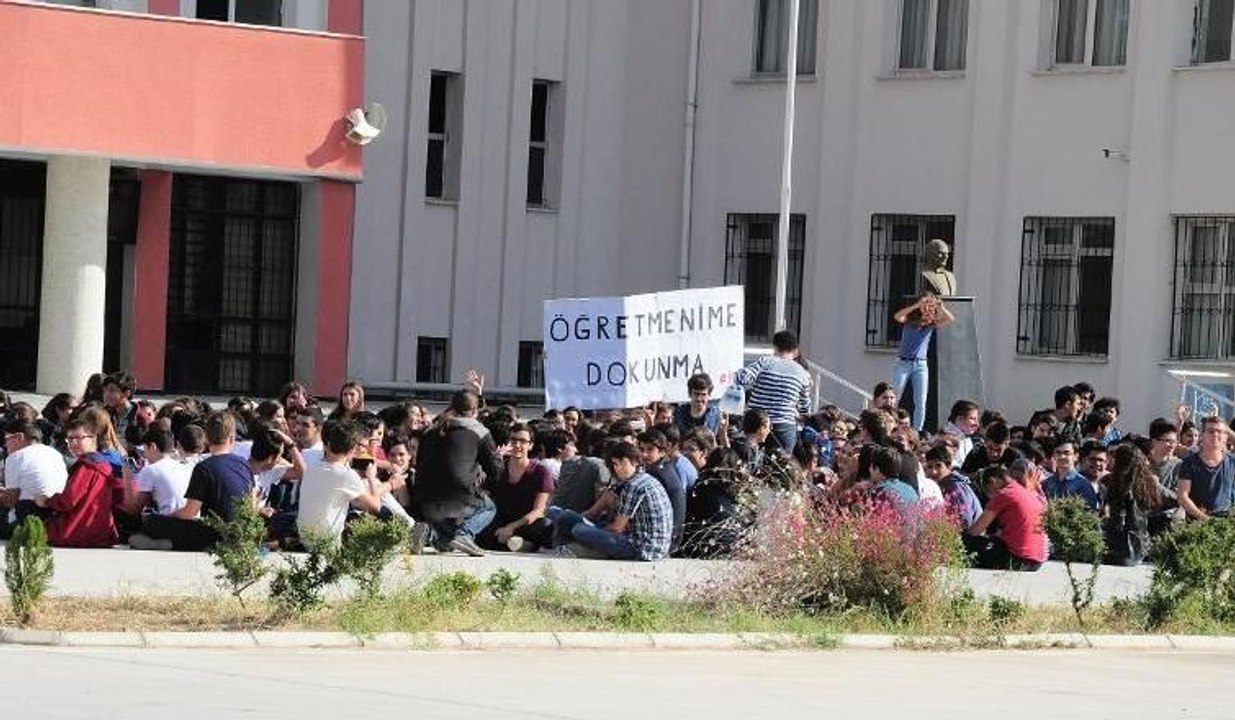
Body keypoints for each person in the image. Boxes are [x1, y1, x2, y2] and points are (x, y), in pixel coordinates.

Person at [138, 411, 255, 551]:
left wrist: (169, 517)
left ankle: (167, 543)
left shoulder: (204, 468)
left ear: (206, 438)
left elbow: (190, 512)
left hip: (213, 536)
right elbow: (252, 506)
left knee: (153, 521)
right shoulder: (244, 464)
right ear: (232, 438)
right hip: (242, 535)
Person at [411, 389, 500, 556]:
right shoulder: (479, 430)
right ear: (475, 410)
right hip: (460, 498)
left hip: (426, 500)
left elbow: (420, 462)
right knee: (490, 508)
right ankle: (465, 534)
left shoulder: (431, 430)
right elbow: (495, 470)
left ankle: (428, 532)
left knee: (445, 545)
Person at [550, 441, 673, 561]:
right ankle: (576, 548)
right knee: (561, 514)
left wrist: (594, 531)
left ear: (635, 462)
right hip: (643, 541)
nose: (618, 468)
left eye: (621, 463)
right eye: (615, 464)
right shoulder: (643, 479)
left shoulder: (633, 486)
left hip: (642, 548)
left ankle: (574, 549)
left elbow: (617, 529)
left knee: (579, 529)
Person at [295, 419, 394, 549]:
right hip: (327, 543)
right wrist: (372, 478)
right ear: (353, 450)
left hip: (305, 539)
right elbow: (375, 506)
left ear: (328, 444)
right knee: (386, 513)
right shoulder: (345, 474)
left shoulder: (312, 467)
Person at [34, 417, 119, 548]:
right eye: (70, 439)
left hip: (76, 531)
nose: (73, 443)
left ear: (93, 439)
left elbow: (69, 500)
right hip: (99, 532)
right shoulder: (103, 463)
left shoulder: (87, 466)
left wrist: (46, 501)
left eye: (79, 438)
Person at [733, 330, 812, 454]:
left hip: (756, 423)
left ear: (775, 347)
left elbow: (743, 378)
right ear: (796, 351)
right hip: (783, 426)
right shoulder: (803, 373)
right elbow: (805, 407)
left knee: (747, 461)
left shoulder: (765, 362)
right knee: (781, 467)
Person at [478, 423, 554, 552]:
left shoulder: (541, 471)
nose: (517, 445)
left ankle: (521, 544)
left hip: (525, 522)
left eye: (523, 441)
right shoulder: (499, 468)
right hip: (498, 520)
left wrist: (511, 527)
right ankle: (515, 544)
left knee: (545, 525)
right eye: (513, 440)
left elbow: (538, 511)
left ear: (530, 445)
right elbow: (483, 498)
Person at [964, 461, 1047, 571]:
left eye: (989, 494)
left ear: (993, 481)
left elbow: (976, 530)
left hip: (1017, 559)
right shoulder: (1026, 491)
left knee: (966, 540)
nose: (991, 498)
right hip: (1037, 560)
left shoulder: (1004, 494)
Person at [891, 293, 954, 431]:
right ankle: (890, 428)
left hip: (921, 365)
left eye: (930, 307)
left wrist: (940, 306)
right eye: (925, 305)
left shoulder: (931, 324)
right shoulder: (909, 320)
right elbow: (897, 316)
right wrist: (916, 305)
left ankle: (918, 432)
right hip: (903, 363)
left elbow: (950, 318)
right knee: (894, 398)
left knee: (920, 403)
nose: (927, 309)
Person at [1, 418, 68, 538]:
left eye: (7, 439)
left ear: (19, 437)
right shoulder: (55, 453)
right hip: (56, 518)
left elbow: (10, 502)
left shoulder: (16, 457)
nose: (5, 444)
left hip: (29, 521)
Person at [1103, 444, 1162, 566]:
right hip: (1142, 545)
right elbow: (1169, 500)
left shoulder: (1115, 483)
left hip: (1120, 546)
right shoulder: (1147, 483)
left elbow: (1115, 517)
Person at [1176, 415, 1235, 521]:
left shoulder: (1232, 462)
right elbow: (1182, 496)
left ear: (1226, 436)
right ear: (1202, 435)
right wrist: (1205, 519)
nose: (1215, 434)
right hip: (1198, 527)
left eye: (1220, 431)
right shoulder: (1189, 462)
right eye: (1211, 431)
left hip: (1227, 526)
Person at [637, 428, 686, 551]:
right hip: (669, 539)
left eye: (650, 449)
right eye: (641, 449)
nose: (644, 454)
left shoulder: (657, 473)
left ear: (663, 452)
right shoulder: (665, 466)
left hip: (662, 542)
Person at [922, 444, 981, 527]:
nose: (933, 471)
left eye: (938, 466)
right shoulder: (943, 485)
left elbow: (965, 520)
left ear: (948, 465)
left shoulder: (955, 487)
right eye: (930, 467)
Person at [1043, 439, 1100, 512]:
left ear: (1075, 456)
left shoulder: (1084, 485)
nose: (1062, 456)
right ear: (1054, 455)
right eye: (1058, 453)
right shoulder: (1046, 483)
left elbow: (1089, 516)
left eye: (1066, 453)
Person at [942, 399, 981, 468]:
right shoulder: (944, 440)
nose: (976, 424)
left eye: (976, 419)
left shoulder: (966, 438)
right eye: (972, 419)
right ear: (960, 419)